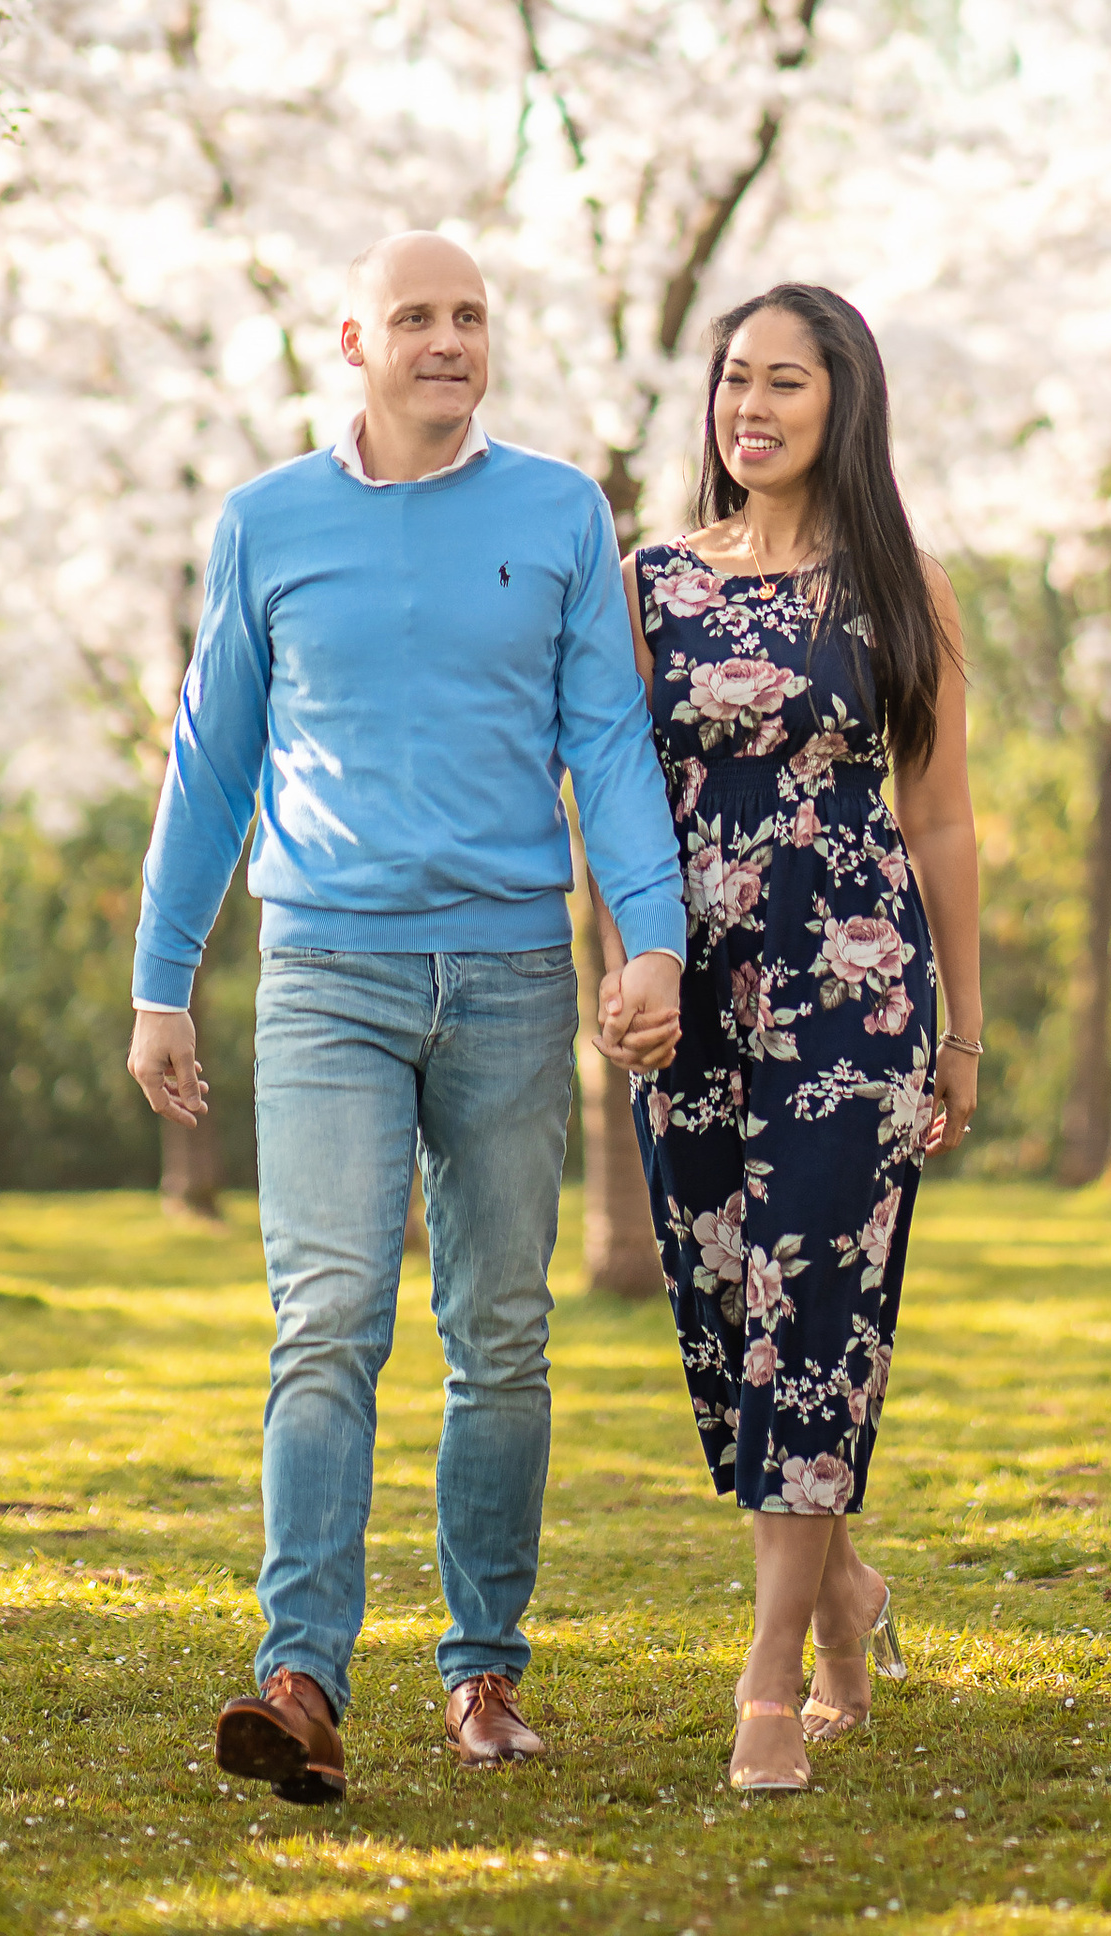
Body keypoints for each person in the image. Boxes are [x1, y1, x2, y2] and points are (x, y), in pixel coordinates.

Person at [127, 231, 687, 1808]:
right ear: (357, 339)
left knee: (500, 1334)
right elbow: (210, 761)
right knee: (328, 1322)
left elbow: (611, 745)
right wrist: (162, 977)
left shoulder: (560, 510)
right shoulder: (269, 524)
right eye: (419, 319)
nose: (450, 341)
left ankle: (484, 1669)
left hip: (512, 975)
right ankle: (297, 1678)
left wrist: (652, 937)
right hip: (325, 980)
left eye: (473, 318)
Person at [594, 283, 984, 1797]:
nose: (749, 409)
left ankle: (768, 1679)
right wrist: (628, 967)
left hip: (857, 989)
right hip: (694, 992)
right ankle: (845, 1593)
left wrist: (962, 1030)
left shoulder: (903, 591)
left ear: (845, 407)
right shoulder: (649, 584)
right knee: (719, 1321)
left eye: (785, 386)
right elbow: (609, 799)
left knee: (812, 1316)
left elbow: (942, 817)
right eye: (732, 382)